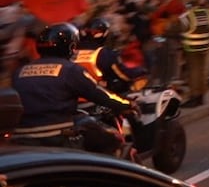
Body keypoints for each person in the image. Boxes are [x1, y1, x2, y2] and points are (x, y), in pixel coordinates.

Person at [12, 24, 131, 155]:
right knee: (112, 140)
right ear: (71, 46)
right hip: (58, 134)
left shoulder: (20, 71)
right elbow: (99, 94)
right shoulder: (70, 69)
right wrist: (126, 104)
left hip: (22, 137)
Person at [74, 18, 147, 96]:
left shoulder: (72, 52)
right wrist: (140, 71)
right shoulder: (104, 53)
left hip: (74, 95)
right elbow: (123, 75)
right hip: (98, 94)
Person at [179, 0, 209, 108]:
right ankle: (201, 96)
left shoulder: (187, 16)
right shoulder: (208, 13)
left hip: (192, 48)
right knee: (203, 72)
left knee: (194, 73)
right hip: (206, 46)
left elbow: (179, 28)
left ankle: (194, 96)